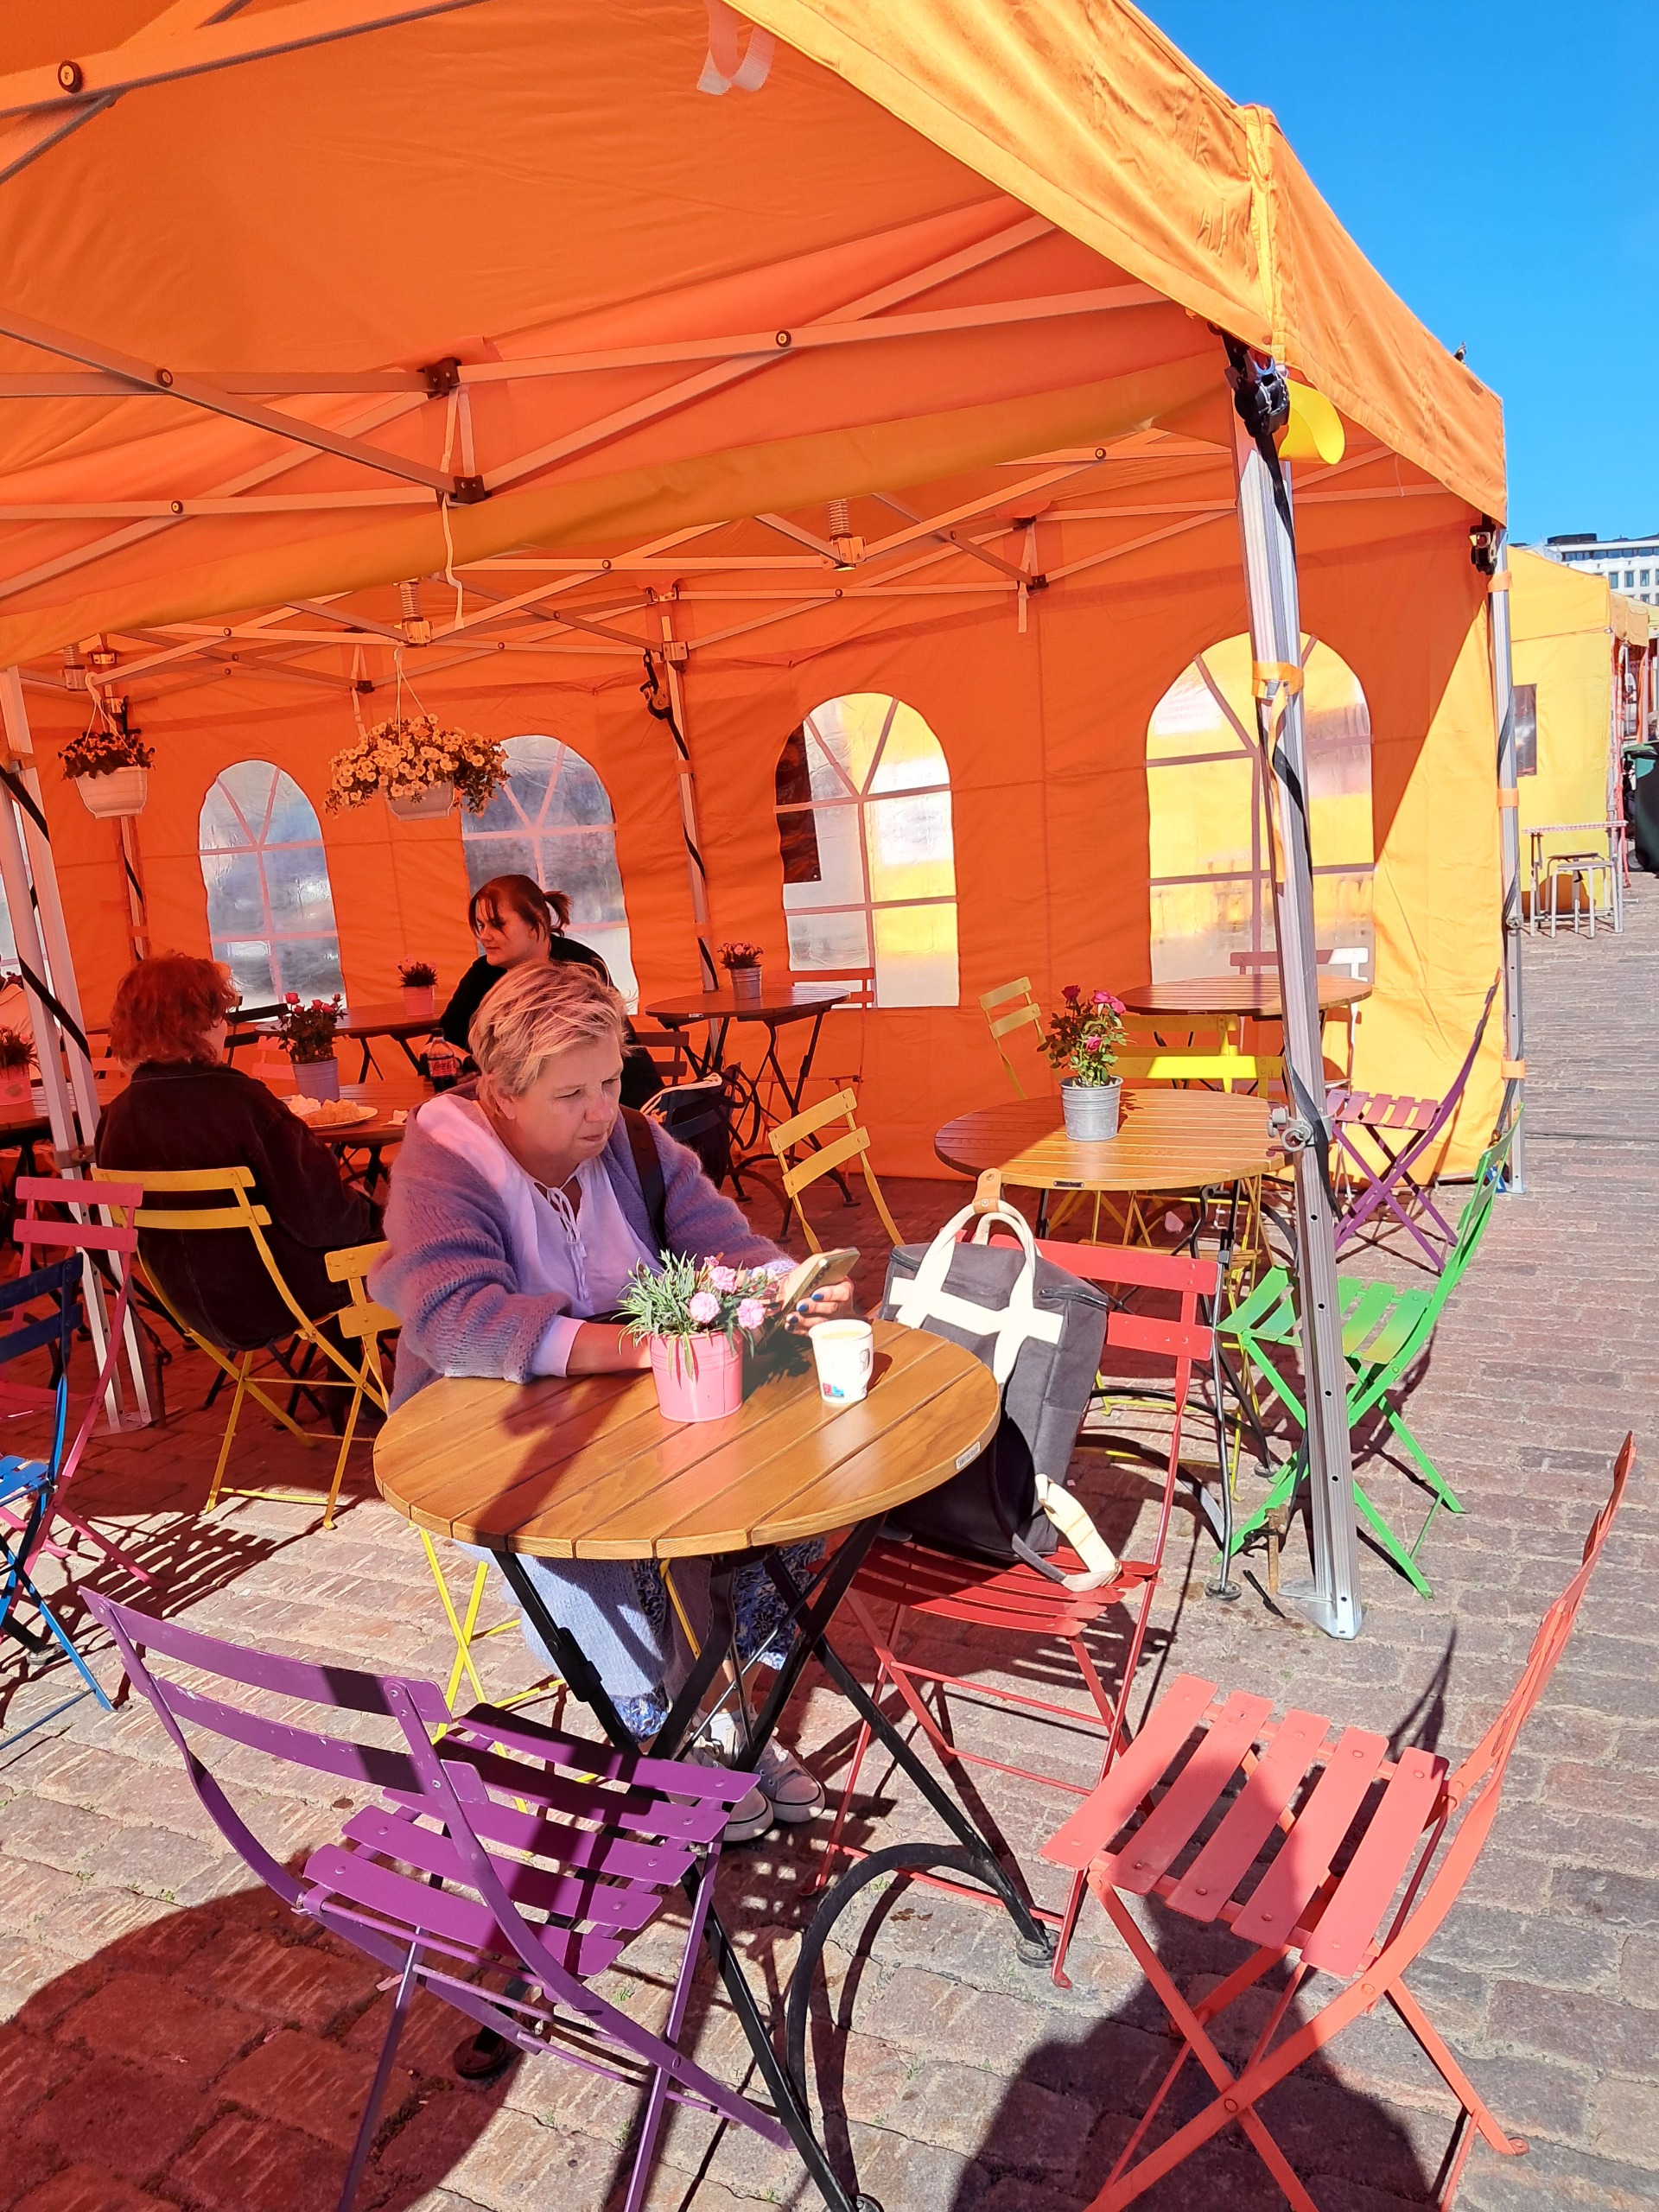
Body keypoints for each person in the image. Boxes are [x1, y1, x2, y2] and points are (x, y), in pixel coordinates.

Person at [373, 959, 850, 1839]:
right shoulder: (447, 1156)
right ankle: (666, 1728)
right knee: (588, 1532)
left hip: (644, 1405)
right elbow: (451, 1318)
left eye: (608, 1082)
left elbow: (726, 1244)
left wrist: (791, 1287)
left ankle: (721, 1714)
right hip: (498, 1429)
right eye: (571, 1094)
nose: (601, 1111)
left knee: (772, 1489)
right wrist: (641, 1348)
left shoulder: (633, 1141)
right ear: (501, 1095)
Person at [95, 955, 374, 1350]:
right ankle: (394, 1377)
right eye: (222, 1013)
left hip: (188, 1305)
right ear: (202, 1021)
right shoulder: (243, 1103)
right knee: (404, 1236)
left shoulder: (114, 1119)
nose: (225, 1024)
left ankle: (349, 1377)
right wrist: (374, 1214)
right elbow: (322, 1218)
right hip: (276, 1297)